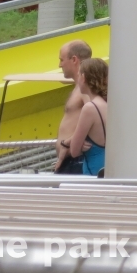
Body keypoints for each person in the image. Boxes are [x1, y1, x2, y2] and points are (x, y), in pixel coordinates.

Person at [63, 58, 107, 176]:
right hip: (107, 168)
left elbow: (74, 151)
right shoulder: (107, 104)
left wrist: (70, 143)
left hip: (93, 173)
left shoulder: (90, 108)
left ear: (84, 78)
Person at [55, 40, 92, 174]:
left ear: (74, 59)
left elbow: (94, 112)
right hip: (70, 160)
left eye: (62, 59)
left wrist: (70, 142)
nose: (60, 65)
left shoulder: (85, 86)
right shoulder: (80, 86)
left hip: (75, 161)